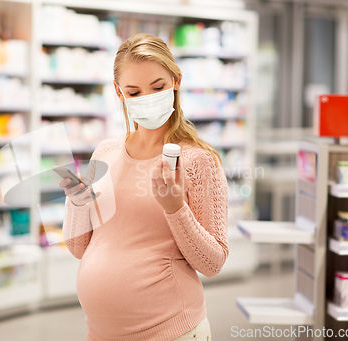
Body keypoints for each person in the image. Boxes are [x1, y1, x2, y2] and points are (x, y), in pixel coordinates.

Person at [60, 32, 229, 341]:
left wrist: (175, 209)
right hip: (99, 333)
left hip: (171, 332)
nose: (147, 98)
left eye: (158, 87)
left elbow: (213, 263)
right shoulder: (105, 153)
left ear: (176, 80)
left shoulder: (198, 161)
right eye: (134, 92)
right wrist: (76, 202)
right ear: (118, 92)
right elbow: (78, 248)